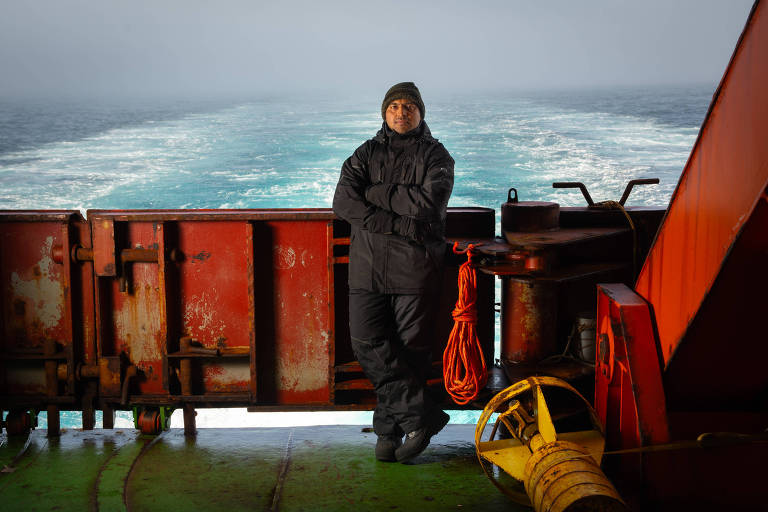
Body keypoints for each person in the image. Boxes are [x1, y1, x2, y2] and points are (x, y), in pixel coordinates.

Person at [332, 82, 454, 463]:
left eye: (409, 107)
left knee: (411, 353)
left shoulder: (437, 156)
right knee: (366, 343)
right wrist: (398, 222)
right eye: (394, 106)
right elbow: (342, 201)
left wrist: (375, 192)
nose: (402, 112)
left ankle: (387, 433)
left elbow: (427, 203)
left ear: (421, 113)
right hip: (367, 268)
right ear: (384, 113)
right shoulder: (365, 153)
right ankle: (422, 418)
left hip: (415, 268)